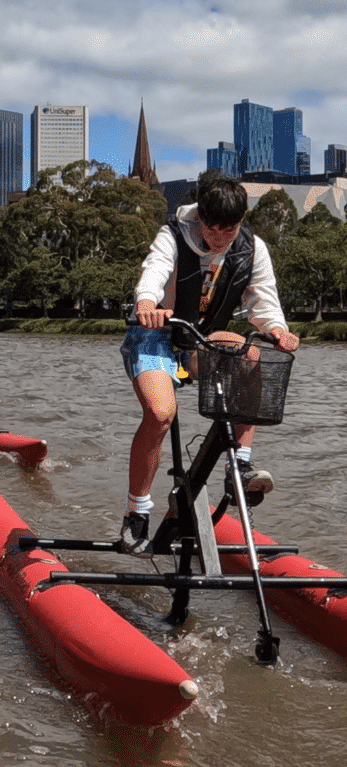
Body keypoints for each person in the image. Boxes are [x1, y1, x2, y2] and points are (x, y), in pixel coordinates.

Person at [118, 173, 299, 556]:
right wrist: (147, 304)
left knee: (249, 354)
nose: (218, 237)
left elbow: (264, 303)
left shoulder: (253, 248)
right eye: (211, 227)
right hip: (156, 335)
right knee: (161, 413)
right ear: (199, 216)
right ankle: (137, 512)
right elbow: (154, 270)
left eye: (228, 229)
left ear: (241, 220)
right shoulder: (174, 234)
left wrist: (279, 330)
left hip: (202, 339)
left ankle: (241, 470)